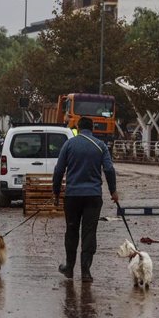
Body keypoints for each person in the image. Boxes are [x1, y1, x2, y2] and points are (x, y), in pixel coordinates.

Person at [52, 116, 118, 283]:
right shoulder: (101, 146)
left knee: (72, 231)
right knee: (89, 233)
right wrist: (113, 191)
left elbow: (59, 170)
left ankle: (69, 268)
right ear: (93, 128)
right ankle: (86, 272)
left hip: (72, 196)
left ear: (78, 128)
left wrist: (56, 193)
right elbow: (109, 169)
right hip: (93, 197)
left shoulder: (69, 144)